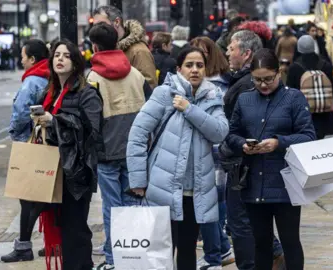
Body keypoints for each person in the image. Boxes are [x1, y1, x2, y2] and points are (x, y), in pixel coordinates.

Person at [127, 47, 229, 270]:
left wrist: (189, 109)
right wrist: (137, 180)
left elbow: (220, 132)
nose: (194, 70)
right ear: (179, 68)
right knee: (160, 252)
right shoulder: (164, 94)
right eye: (189, 65)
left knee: (187, 249)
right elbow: (137, 134)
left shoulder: (212, 96)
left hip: (195, 191)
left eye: (199, 66)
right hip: (162, 187)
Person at [226, 48, 316, 270]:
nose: (263, 84)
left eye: (268, 79)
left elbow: (308, 135)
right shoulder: (245, 99)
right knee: (261, 243)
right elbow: (231, 133)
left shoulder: (293, 98)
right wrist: (243, 145)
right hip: (253, 182)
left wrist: (278, 142)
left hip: (286, 182)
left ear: (279, 73)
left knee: (290, 241)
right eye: (257, 80)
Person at [31, 39, 103, 269]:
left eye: (66, 56)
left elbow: (92, 130)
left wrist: (56, 121)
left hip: (76, 173)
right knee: (62, 228)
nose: (60, 59)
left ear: (76, 62)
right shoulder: (49, 92)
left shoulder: (87, 93)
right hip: (52, 170)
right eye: (56, 55)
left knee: (76, 230)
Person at [86, 22, 152, 270]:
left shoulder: (92, 78)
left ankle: (113, 259)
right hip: (135, 151)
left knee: (112, 207)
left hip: (107, 153)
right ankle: (133, 257)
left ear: (94, 46)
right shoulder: (135, 74)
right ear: (117, 42)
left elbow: (91, 120)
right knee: (133, 205)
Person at [2, 39, 50, 263]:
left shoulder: (31, 82)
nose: (21, 60)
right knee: (44, 194)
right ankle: (52, 242)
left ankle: (23, 246)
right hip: (46, 143)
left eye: (23, 56)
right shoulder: (48, 79)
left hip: (29, 144)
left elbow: (22, 113)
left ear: (32, 59)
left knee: (27, 197)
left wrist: (15, 134)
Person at [189, 36, 234, 270]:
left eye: (203, 54)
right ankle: (221, 248)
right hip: (200, 150)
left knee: (213, 201)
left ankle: (215, 254)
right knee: (209, 202)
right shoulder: (191, 85)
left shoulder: (218, 86)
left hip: (216, 150)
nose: (198, 60)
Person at [286, 35, 333, 140]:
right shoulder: (325, 65)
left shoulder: (295, 67)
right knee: (319, 140)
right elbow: (331, 87)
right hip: (323, 111)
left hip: (303, 113)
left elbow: (290, 91)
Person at [93, 5, 157, 89]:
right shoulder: (101, 48)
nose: (98, 30)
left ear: (117, 22)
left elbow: (149, 86)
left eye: (102, 24)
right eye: (95, 26)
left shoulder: (139, 51)